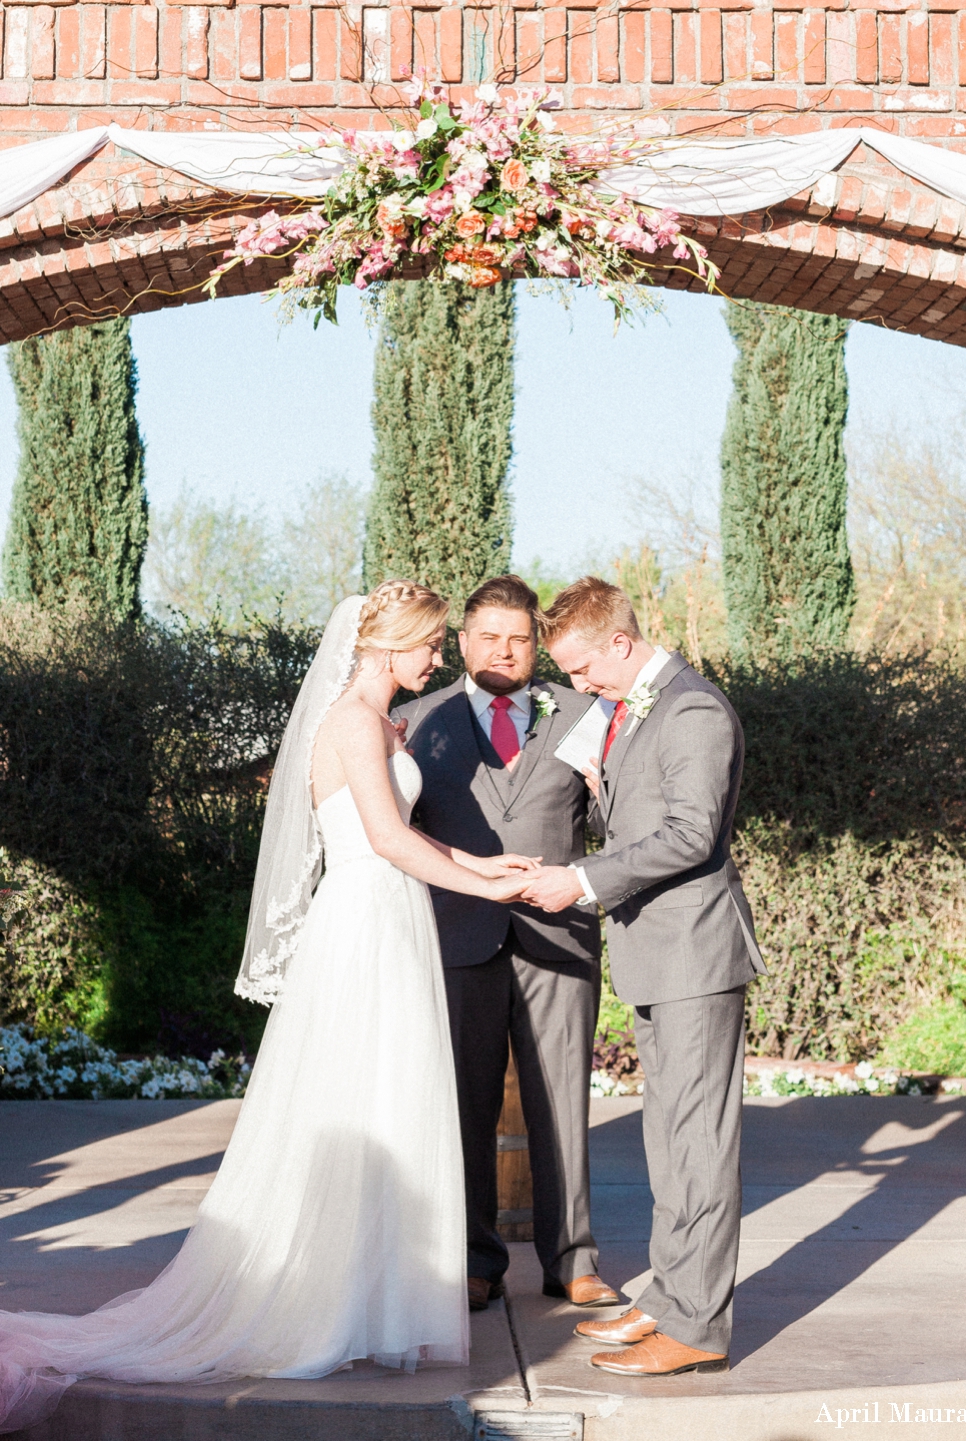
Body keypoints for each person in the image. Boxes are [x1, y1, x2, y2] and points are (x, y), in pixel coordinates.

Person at [0, 580, 537, 1434]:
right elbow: (387, 841)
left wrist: (493, 870)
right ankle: (323, 1305)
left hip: (387, 914)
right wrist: (484, 877)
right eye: (429, 644)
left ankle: (369, 1303)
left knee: (389, 1110)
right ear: (389, 645)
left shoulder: (374, 723)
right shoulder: (355, 724)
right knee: (358, 1105)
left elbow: (400, 831)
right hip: (365, 922)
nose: (437, 659)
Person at [523, 577, 767, 1378]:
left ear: (620, 643)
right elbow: (639, 819)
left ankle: (698, 1322)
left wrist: (583, 879)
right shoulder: (635, 709)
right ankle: (667, 1296)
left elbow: (692, 834)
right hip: (657, 954)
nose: (578, 685)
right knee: (668, 1139)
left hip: (693, 953)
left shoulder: (691, 710)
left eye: (584, 667)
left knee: (697, 1140)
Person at [396, 575, 618, 1314]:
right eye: (488, 636)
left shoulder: (585, 714)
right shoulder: (416, 719)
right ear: (460, 641)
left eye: (518, 638)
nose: (503, 649)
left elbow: (616, 823)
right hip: (458, 937)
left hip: (559, 935)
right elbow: (398, 830)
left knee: (562, 1102)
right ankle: (473, 1257)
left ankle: (572, 1258)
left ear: (536, 646)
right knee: (465, 1104)